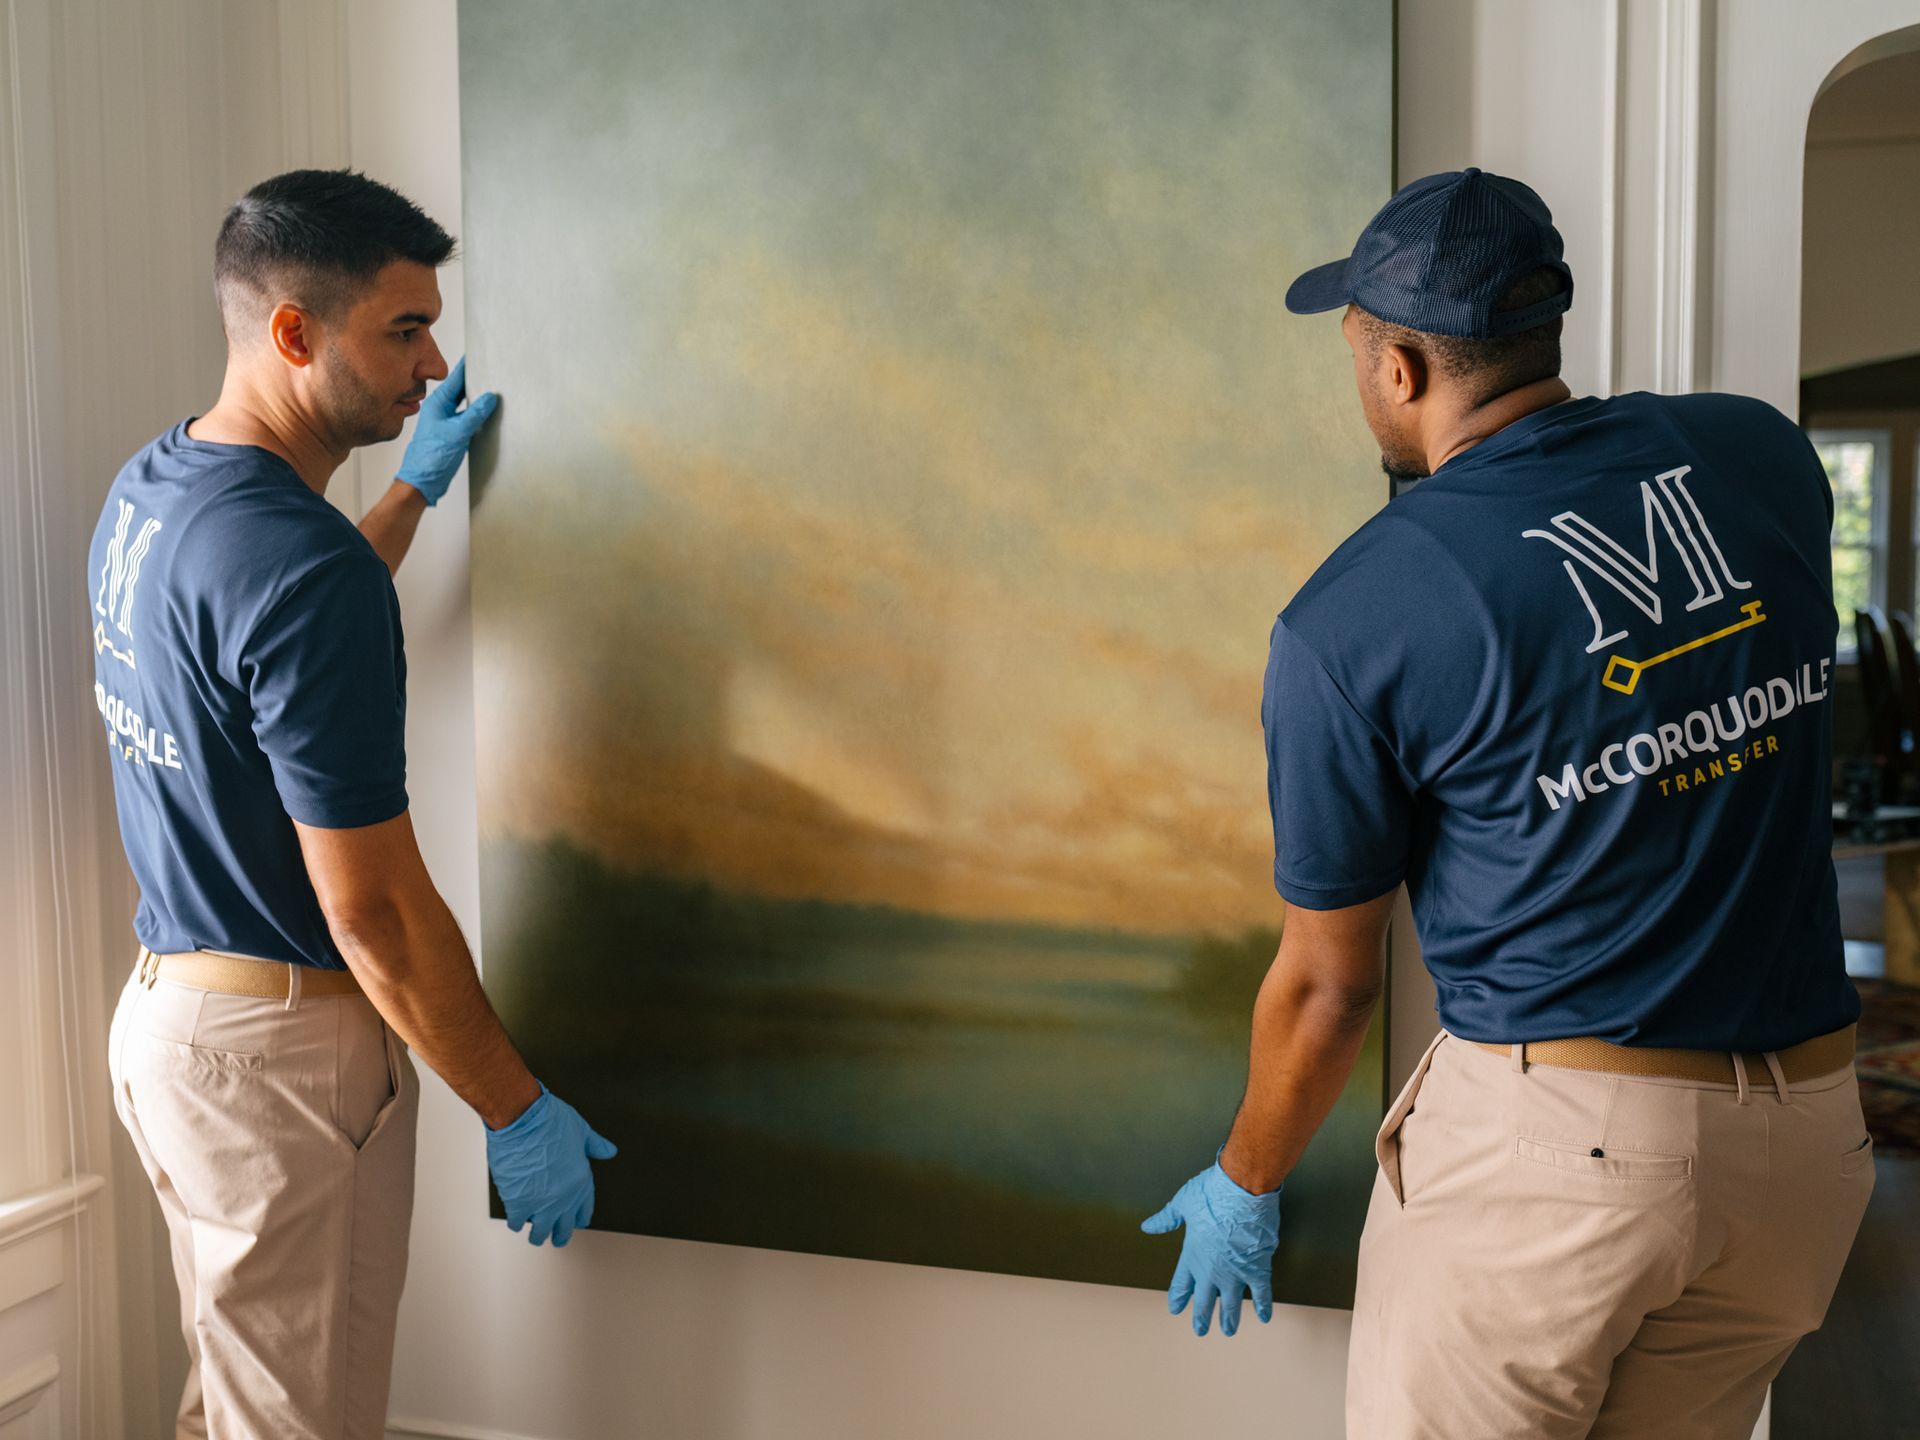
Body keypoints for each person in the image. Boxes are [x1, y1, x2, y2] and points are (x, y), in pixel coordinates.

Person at [1142, 167, 1875, 1438]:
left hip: (1565, 1173)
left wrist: (1243, 1177)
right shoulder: (1758, 453)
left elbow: (1331, 988)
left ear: (1402, 372)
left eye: (1357, 347)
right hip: (1807, 1150)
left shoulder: (1355, 617)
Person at [93, 168, 616, 1440]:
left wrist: (408, 496)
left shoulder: (159, 490)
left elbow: (267, 658)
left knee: (236, 1410)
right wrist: (513, 1104)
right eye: (403, 329)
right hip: (277, 1067)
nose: (433, 365)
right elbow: (374, 910)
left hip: (175, 1026)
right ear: (292, 332)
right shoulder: (297, 565)